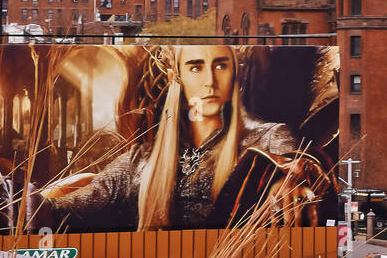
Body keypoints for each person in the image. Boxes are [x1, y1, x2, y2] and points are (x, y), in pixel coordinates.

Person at [31, 45, 330, 231]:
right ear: (178, 77)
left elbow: (299, 162)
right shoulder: (139, 162)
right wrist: (10, 198)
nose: (210, 80)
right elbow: (64, 211)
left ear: (233, 74)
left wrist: (290, 177)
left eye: (220, 65)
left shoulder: (267, 138)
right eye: (196, 66)